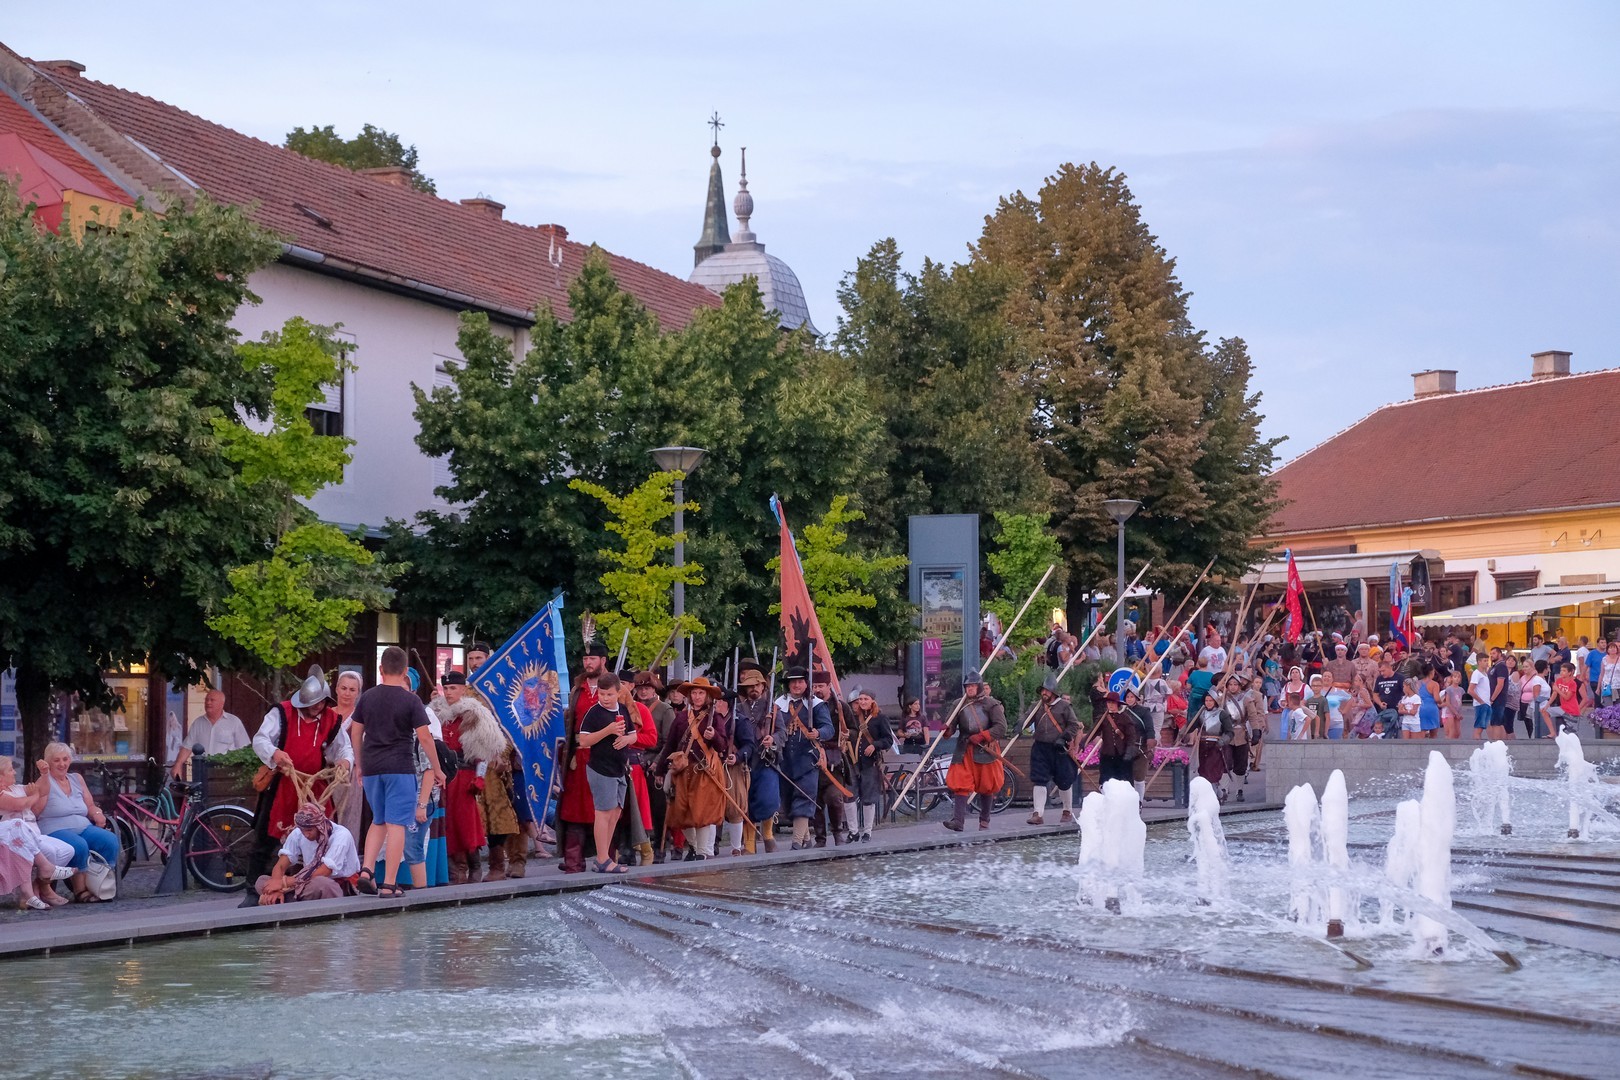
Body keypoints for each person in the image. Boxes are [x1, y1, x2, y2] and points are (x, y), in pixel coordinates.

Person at [245, 666, 353, 905]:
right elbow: (260, 739)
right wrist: (275, 754)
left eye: (322, 702)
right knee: (266, 839)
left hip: (315, 790)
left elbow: (344, 748)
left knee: (321, 838)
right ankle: (253, 893)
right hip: (283, 785)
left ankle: (309, 890)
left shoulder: (331, 720)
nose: (318, 707)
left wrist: (345, 761)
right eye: (314, 702)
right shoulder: (282, 713)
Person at [352, 647, 445, 899]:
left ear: (380, 669)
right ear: (405, 671)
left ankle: (367, 869)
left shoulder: (367, 697)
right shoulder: (411, 701)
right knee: (397, 825)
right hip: (400, 769)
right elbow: (425, 738)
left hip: (372, 768)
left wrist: (360, 764)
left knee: (379, 820)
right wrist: (437, 769)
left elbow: (356, 732)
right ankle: (389, 884)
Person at [433, 670, 502, 884]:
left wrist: (479, 777)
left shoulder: (475, 714)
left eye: (453, 688)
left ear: (463, 689)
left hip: (465, 775)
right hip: (442, 776)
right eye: (446, 688)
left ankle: (474, 866)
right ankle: (455, 871)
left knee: (466, 823)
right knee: (446, 823)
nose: (448, 692)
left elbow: (483, 752)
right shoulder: (435, 713)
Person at [34, 742, 121, 903]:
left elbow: (90, 805)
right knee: (79, 845)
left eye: (65, 759)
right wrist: (43, 786)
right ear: (48, 762)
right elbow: (35, 811)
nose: (62, 764)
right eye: (56, 760)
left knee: (109, 840)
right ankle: (80, 891)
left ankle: (101, 885)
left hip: (83, 825)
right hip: (54, 828)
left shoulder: (77, 779)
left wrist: (97, 813)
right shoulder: (44, 781)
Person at [656, 676, 731, 860]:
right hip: (683, 771)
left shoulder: (715, 718)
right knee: (681, 813)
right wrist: (660, 769)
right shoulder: (681, 718)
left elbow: (722, 746)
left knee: (702, 813)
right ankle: (696, 847)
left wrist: (714, 736)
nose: (697, 696)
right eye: (694, 693)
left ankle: (703, 852)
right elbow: (670, 745)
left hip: (704, 771)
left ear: (707, 696)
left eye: (701, 693)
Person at [576, 672, 639, 874]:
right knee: (603, 813)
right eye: (602, 694)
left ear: (618, 693)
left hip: (619, 768)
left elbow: (634, 735)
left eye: (609, 694)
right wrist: (608, 730)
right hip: (600, 768)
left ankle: (604, 856)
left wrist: (626, 739)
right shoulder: (594, 713)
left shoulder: (623, 709)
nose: (605, 698)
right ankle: (602, 858)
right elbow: (584, 741)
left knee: (615, 812)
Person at [557, 641, 610, 872]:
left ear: (603, 661)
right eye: (585, 659)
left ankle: (606, 859)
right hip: (578, 759)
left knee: (605, 809)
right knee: (574, 810)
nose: (588, 663)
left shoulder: (616, 688)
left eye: (592, 659)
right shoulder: (577, 690)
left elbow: (631, 722)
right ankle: (573, 861)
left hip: (605, 757)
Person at [0, 757, 76, 910]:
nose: (14, 772)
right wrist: (34, 796)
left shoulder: (16, 788)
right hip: (10, 840)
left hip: (31, 836)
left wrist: (45, 774)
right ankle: (42, 881)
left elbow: (42, 790)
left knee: (68, 850)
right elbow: (19, 804)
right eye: (10, 770)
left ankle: (38, 886)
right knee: (19, 826)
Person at [256, 802, 361, 904]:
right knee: (262, 881)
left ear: (319, 825)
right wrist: (275, 889)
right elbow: (280, 866)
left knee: (323, 884)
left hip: (334, 884)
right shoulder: (298, 832)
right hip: (305, 882)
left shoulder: (341, 835)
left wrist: (284, 883)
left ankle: (284, 900)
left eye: (309, 830)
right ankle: (281, 898)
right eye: (303, 830)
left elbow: (324, 871)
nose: (306, 834)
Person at [776, 668, 834, 849]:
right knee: (788, 801)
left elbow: (829, 729)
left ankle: (796, 843)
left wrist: (818, 733)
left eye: (800, 681)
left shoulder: (816, 704)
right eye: (793, 682)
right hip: (785, 760)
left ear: (806, 683)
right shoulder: (778, 704)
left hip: (808, 759)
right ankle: (806, 839)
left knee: (804, 798)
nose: (796, 685)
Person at [942, 672, 1007, 833]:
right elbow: (951, 727)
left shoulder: (991, 704)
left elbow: (1001, 727)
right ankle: (958, 821)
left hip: (985, 749)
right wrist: (947, 730)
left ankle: (984, 821)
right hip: (964, 749)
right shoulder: (958, 704)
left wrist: (982, 736)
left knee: (987, 785)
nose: (969, 689)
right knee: (960, 783)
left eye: (972, 686)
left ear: (978, 686)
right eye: (967, 686)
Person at [737, 667, 784, 854]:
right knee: (745, 803)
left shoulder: (772, 708)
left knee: (768, 799)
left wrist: (773, 739)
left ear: (763, 686)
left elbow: (782, 732)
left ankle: (768, 835)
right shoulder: (738, 708)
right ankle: (749, 843)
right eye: (750, 686)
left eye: (757, 685)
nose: (754, 689)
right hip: (745, 761)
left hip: (766, 760)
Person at [633, 671, 676, 861]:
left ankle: (660, 846)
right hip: (634, 760)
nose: (643, 692)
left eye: (647, 688)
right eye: (640, 688)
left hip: (655, 762)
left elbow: (669, 742)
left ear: (654, 689)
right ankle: (636, 847)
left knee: (658, 809)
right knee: (636, 809)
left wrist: (658, 763)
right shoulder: (630, 708)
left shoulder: (665, 710)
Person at [1027, 674, 1081, 825]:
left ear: (1053, 692)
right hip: (1040, 748)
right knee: (1039, 779)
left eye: (1047, 690)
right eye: (1043, 690)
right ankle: (1038, 814)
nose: (1044, 693)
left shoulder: (1064, 706)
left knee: (1064, 781)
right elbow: (1026, 718)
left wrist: (1064, 738)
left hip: (1058, 748)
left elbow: (1074, 725)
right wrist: (1020, 725)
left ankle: (1067, 810)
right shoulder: (1036, 706)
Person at [845, 686, 892, 842]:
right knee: (849, 796)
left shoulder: (880, 718)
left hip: (870, 763)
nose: (862, 702)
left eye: (866, 699)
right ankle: (853, 831)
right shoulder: (853, 717)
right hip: (852, 762)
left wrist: (875, 745)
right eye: (860, 699)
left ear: (872, 701)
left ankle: (867, 832)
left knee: (868, 798)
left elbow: (888, 740)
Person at [170, 690, 251, 778]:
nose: (208, 702)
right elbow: (187, 747)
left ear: (222, 704)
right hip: (202, 773)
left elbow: (245, 749)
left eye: (212, 700)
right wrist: (178, 764)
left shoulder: (234, 722)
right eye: (206, 700)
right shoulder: (198, 723)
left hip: (226, 774)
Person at [811, 674, 851, 847]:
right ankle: (820, 838)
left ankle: (837, 833)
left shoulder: (840, 707)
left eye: (820, 686)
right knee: (815, 801)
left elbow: (853, 729)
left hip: (834, 759)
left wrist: (846, 736)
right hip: (812, 757)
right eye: (815, 686)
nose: (817, 689)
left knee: (834, 798)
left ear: (828, 686)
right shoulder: (809, 706)